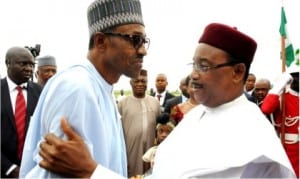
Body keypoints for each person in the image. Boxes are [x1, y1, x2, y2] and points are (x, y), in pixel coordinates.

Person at [37, 23, 296, 178]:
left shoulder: (249, 135)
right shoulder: (197, 114)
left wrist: (91, 171)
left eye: (204, 66)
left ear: (238, 72)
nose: (194, 74)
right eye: (194, 64)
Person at [19, 0, 148, 178]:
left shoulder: (102, 87)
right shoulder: (77, 88)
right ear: (101, 41)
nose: (143, 50)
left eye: (144, 41)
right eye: (135, 40)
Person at [1, 46, 42, 178]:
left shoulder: (40, 92)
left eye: (32, 64)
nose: (29, 69)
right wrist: (10, 168)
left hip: (34, 171)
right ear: (8, 63)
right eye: (23, 64)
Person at [117, 69, 161, 177]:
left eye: (143, 81)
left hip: (151, 152)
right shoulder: (122, 103)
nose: (140, 84)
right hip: (130, 152)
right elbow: (117, 132)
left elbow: (159, 129)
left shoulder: (155, 102)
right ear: (131, 83)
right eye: (136, 81)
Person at [260, 66, 299, 177]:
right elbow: (266, 109)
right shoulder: (282, 97)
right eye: (295, 76)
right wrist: (278, 86)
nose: (298, 79)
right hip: (288, 150)